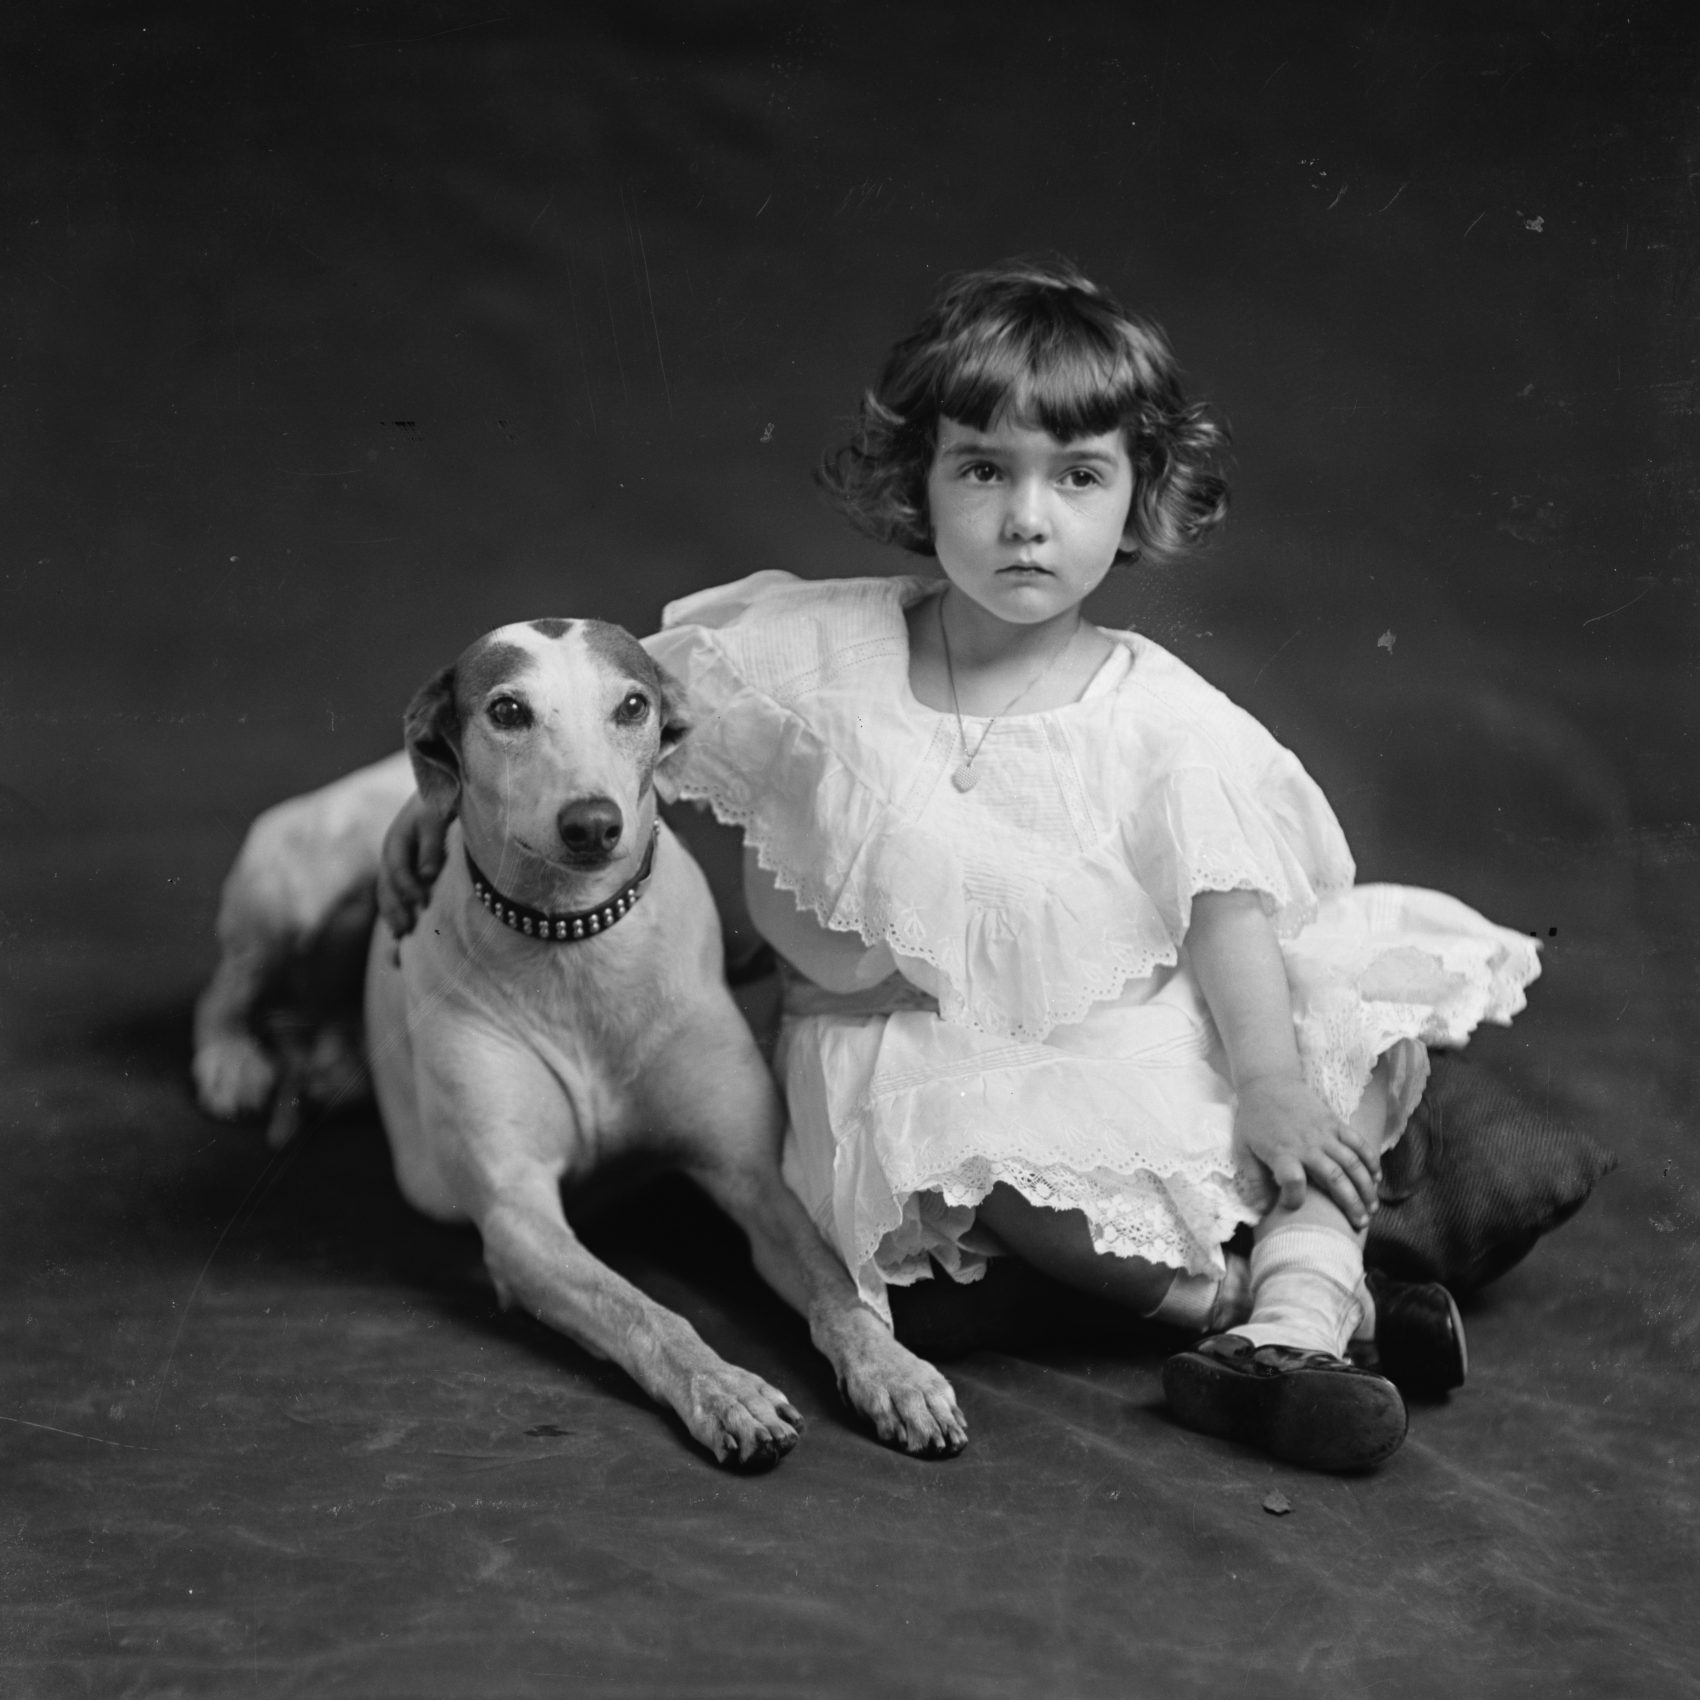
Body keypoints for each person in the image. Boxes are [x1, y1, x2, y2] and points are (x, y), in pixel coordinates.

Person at [383, 258, 1538, 1472]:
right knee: (983, 1154)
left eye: (1077, 476)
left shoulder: (1162, 718)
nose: (1024, 517)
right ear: (916, 479)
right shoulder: (809, 650)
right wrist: (433, 800)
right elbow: (588, 709)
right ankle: (1253, 1319)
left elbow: (1223, 905)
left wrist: (1262, 1075)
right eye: (982, 468)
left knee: (1331, 1049)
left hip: (1121, 1020)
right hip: (917, 1046)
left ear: (1139, 494)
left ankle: (1298, 1310)